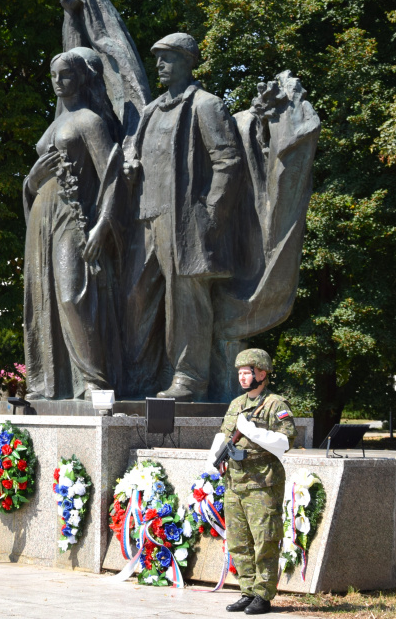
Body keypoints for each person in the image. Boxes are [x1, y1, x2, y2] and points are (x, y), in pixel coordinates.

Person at [125, 33, 242, 401]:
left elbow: (228, 160)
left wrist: (209, 216)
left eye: (168, 58)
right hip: (147, 218)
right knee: (135, 297)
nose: (160, 65)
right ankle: (143, 373)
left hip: (186, 221)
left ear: (188, 61)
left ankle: (190, 379)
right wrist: (129, 166)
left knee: (186, 300)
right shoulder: (151, 111)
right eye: (157, 58)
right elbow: (135, 154)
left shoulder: (206, 105)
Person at [23, 46, 125, 401]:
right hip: (42, 216)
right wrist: (31, 182)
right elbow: (35, 179)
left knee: (71, 294)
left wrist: (104, 225)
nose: (58, 81)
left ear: (82, 77)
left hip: (72, 214)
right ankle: (50, 383)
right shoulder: (55, 122)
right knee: (43, 297)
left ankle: (94, 381)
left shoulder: (89, 121)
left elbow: (112, 176)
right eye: (53, 75)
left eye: (66, 74)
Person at [205, 349, 296, 615]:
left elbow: (285, 442)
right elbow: (223, 435)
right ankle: (247, 591)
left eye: (248, 372)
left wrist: (252, 431)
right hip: (235, 481)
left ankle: (263, 595)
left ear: (262, 373)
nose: (243, 377)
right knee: (238, 541)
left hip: (262, 482)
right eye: (240, 373)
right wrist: (211, 461)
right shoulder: (236, 404)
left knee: (265, 540)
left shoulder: (276, 404)